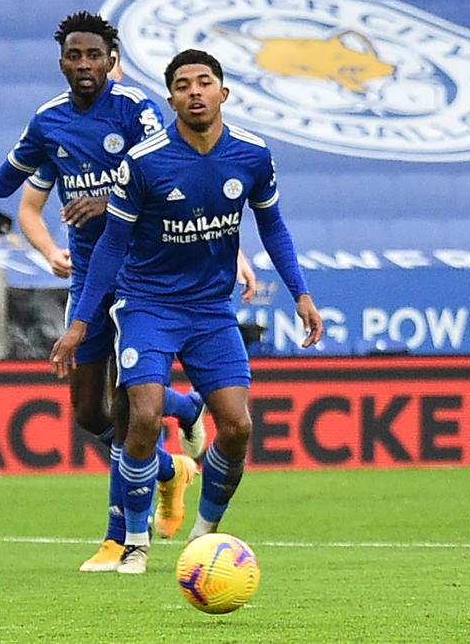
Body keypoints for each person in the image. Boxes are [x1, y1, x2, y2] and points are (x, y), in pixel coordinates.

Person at [0, 11, 201, 572]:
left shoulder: (137, 109)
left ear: (111, 60)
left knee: (127, 407)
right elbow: (3, 181)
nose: (84, 64)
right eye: (74, 55)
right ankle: (174, 452)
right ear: (62, 62)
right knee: (89, 414)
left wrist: (111, 200)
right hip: (88, 276)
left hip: (141, 277)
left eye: (93, 55)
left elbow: (169, 174)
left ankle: (119, 539)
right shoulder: (49, 121)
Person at [50, 49, 324, 574]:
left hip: (210, 310)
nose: (194, 91)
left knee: (238, 427)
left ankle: (204, 535)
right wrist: (81, 323)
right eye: (182, 85)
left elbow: (272, 226)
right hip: (146, 305)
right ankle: (135, 542)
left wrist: (301, 294)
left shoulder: (252, 154)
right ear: (171, 98)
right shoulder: (145, 161)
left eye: (204, 82)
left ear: (224, 92)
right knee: (144, 415)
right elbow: (111, 245)